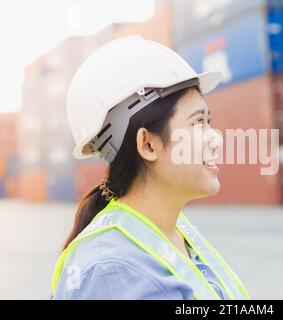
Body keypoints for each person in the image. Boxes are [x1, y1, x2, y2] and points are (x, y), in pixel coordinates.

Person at [51, 36, 250, 300]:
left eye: (208, 121)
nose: (217, 139)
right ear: (147, 144)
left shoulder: (171, 231)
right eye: (198, 123)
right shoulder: (112, 272)